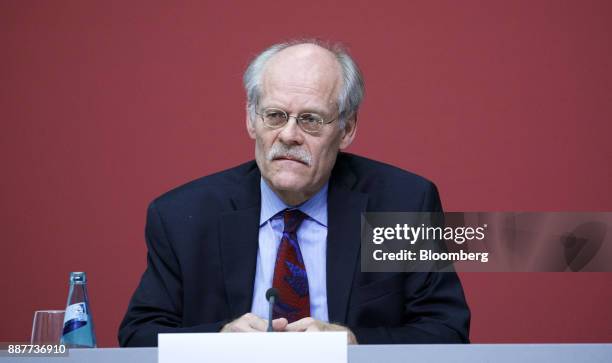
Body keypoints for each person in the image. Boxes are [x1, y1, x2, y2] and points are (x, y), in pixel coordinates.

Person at [118, 39, 470, 347]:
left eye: (311, 120)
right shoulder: (184, 216)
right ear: (250, 120)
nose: (288, 135)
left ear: (346, 129)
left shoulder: (401, 205)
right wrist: (218, 341)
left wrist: (354, 343)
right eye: (274, 115)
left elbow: (446, 331)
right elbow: (140, 335)